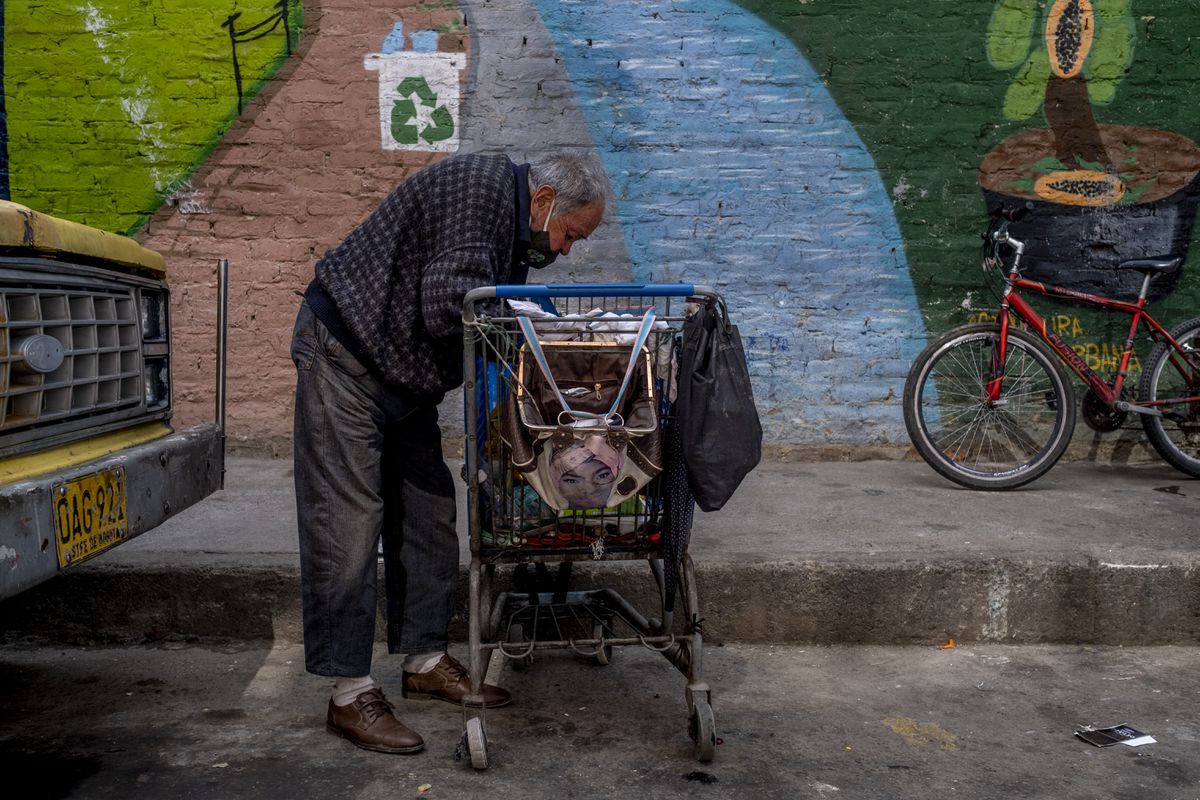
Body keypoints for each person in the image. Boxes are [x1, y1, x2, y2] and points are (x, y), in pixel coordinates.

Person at [289, 152, 610, 754]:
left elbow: (477, 307)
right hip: (347, 356)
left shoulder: (513, 220)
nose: (567, 251)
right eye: (571, 234)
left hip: (402, 375)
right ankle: (348, 694)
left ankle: (424, 660)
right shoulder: (482, 191)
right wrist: (531, 328)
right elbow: (449, 304)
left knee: (430, 515)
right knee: (348, 524)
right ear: (544, 202)